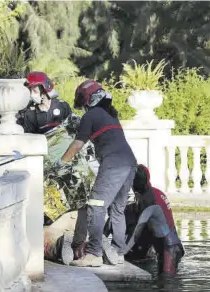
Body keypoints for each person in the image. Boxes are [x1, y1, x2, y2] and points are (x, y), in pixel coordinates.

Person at [56, 80, 137, 267]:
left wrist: (61, 162)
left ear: (88, 100)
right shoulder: (111, 115)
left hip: (114, 164)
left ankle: (94, 254)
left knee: (95, 205)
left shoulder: (91, 116)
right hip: (130, 162)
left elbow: (78, 144)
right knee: (117, 209)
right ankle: (117, 252)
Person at [121, 164, 185, 276]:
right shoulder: (155, 192)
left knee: (167, 282)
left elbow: (135, 233)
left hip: (169, 249)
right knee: (163, 281)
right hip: (170, 245)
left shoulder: (147, 201)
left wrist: (119, 253)